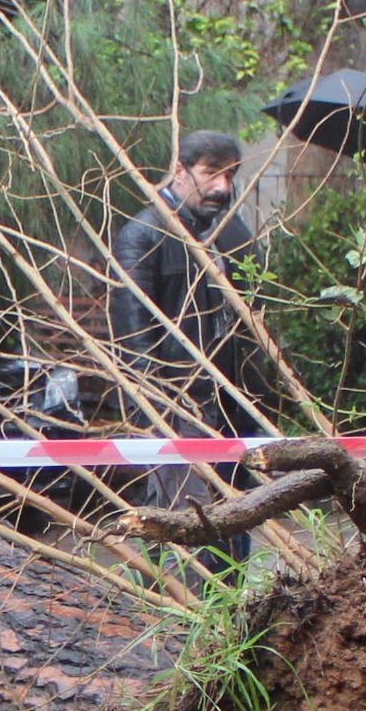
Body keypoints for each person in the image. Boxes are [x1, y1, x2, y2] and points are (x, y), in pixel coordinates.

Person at [110, 131, 267, 521]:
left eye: (230, 175)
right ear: (179, 171)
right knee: (186, 529)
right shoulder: (143, 235)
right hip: (181, 414)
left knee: (235, 526)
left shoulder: (230, 232)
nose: (222, 187)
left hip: (234, 410)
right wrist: (158, 422)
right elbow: (135, 343)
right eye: (211, 172)